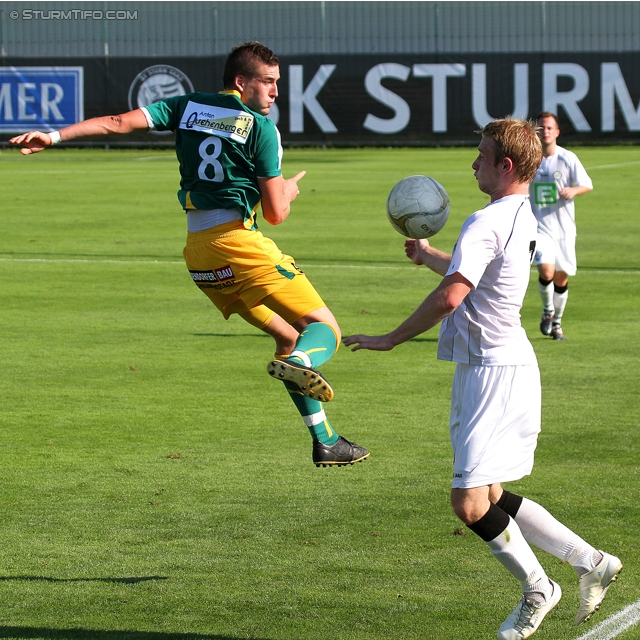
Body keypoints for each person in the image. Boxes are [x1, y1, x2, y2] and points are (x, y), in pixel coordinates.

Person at [9, 41, 369, 468]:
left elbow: (117, 123)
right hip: (237, 245)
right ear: (241, 82)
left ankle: (326, 440)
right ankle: (300, 362)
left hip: (199, 254)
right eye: (268, 82)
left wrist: (53, 134)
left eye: (277, 83)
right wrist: (288, 190)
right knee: (323, 329)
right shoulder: (261, 129)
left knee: (288, 335)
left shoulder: (187, 106)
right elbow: (275, 214)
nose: (275, 92)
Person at [343, 118, 620, 639]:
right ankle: (591, 561)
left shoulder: (485, 220)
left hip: (493, 371)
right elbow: (484, 276)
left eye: (481, 156)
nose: (473, 163)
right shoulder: (519, 213)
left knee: (468, 503)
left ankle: (539, 588)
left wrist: (390, 338)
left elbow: (454, 295)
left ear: (505, 165)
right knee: (490, 492)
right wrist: (431, 258)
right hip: (500, 365)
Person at [530, 112, 593, 341]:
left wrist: (573, 190)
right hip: (539, 229)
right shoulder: (529, 159)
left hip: (564, 230)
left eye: (549, 128)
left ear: (556, 132)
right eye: (541, 128)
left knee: (561, 278)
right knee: (546, 271)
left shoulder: (567, 158)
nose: (545, 131)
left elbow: (587, 184)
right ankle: (548, 310)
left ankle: (556, 323)